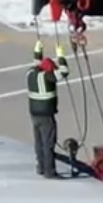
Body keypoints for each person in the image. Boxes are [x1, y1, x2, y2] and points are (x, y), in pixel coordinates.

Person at [26, 39, 70, 178]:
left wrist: (38, 50)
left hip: (34, 114)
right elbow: (64, 72)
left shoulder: (31, 74)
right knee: (48, 144)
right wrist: (61, 55)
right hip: (46, 115)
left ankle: (40, 167)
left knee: (38, 142)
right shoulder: (48, 77)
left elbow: (36, 63)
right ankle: (50, 171)